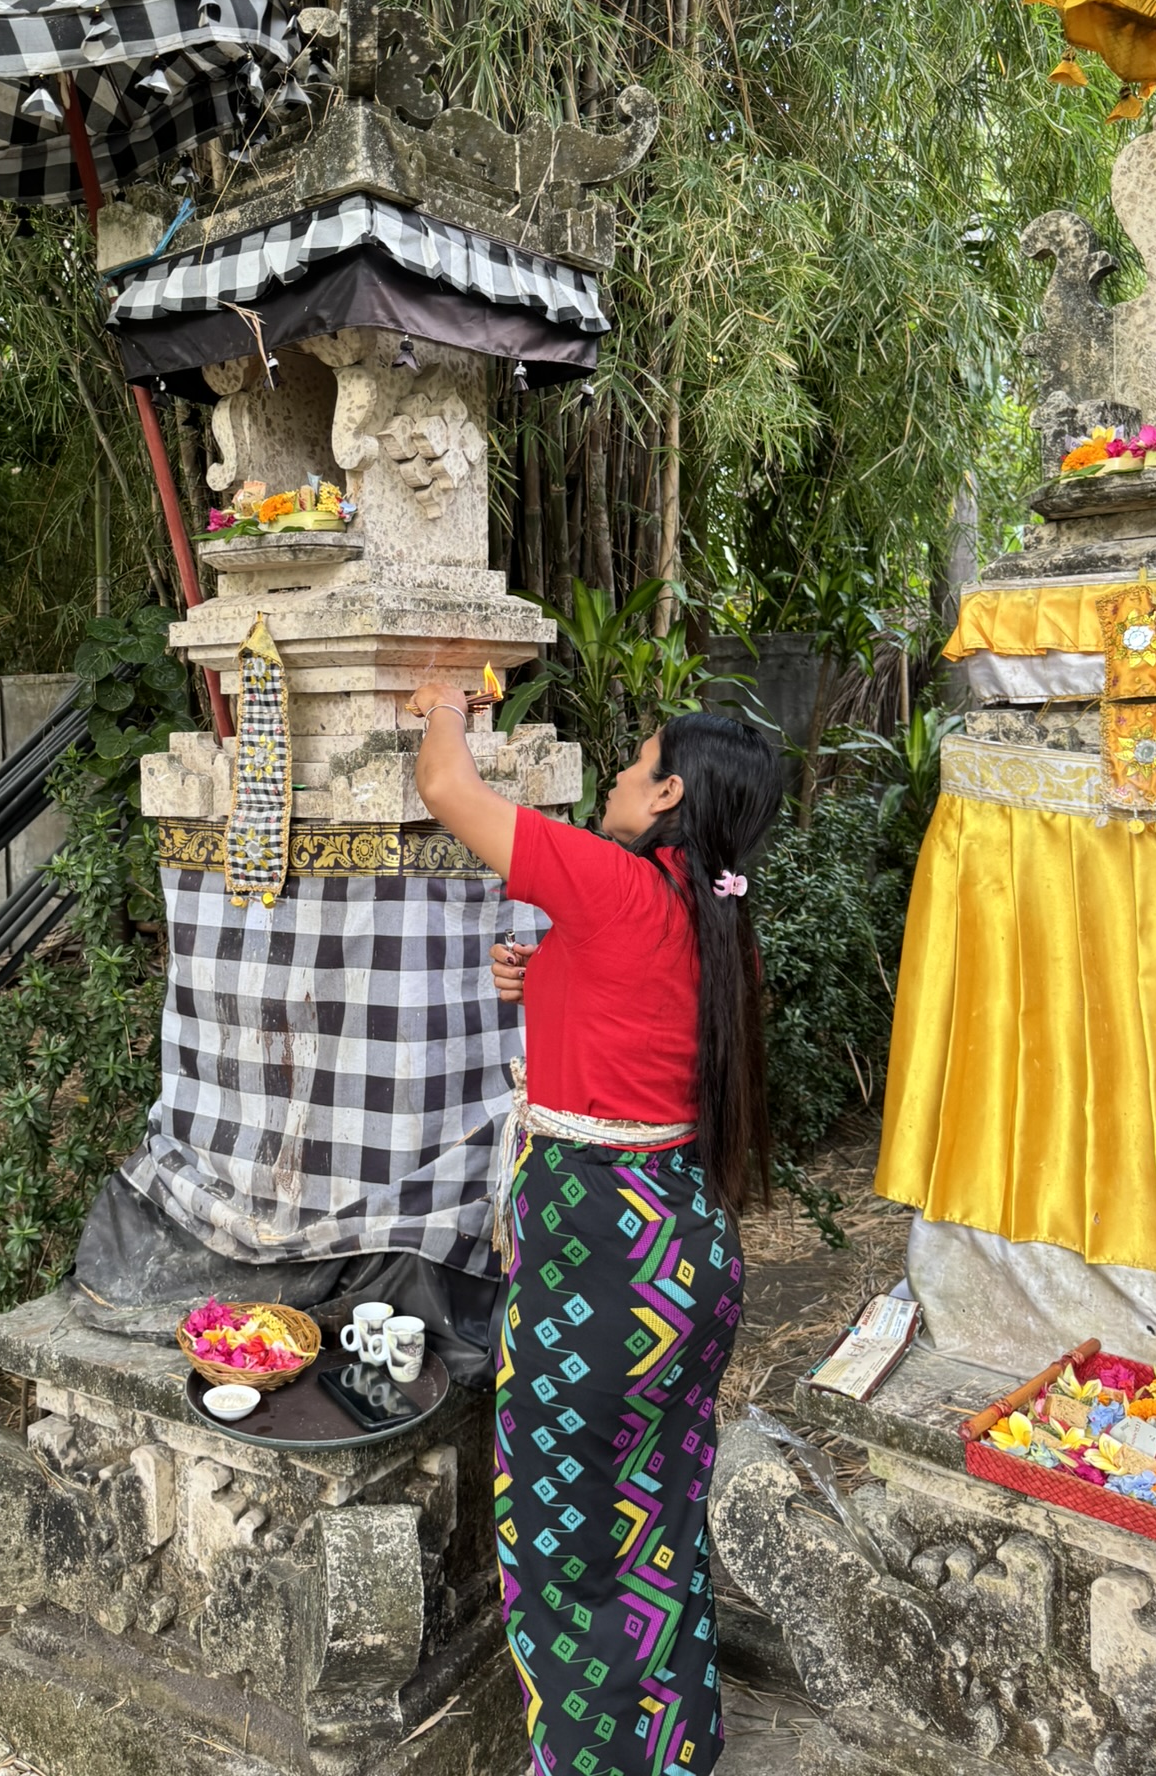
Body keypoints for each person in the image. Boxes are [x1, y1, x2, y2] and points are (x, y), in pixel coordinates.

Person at [408, 684, 782, 1776]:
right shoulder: (717, 922)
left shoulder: (612, 880)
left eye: (635, 763)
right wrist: (541, 974)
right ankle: (676, 1748)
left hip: (599, 1260)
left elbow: (445, 786)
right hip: (686, 1261)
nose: (617, 777)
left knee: (562, 1546)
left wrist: (443, 695)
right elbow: (631, 1027)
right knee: (654, 1523)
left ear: (667, 793)